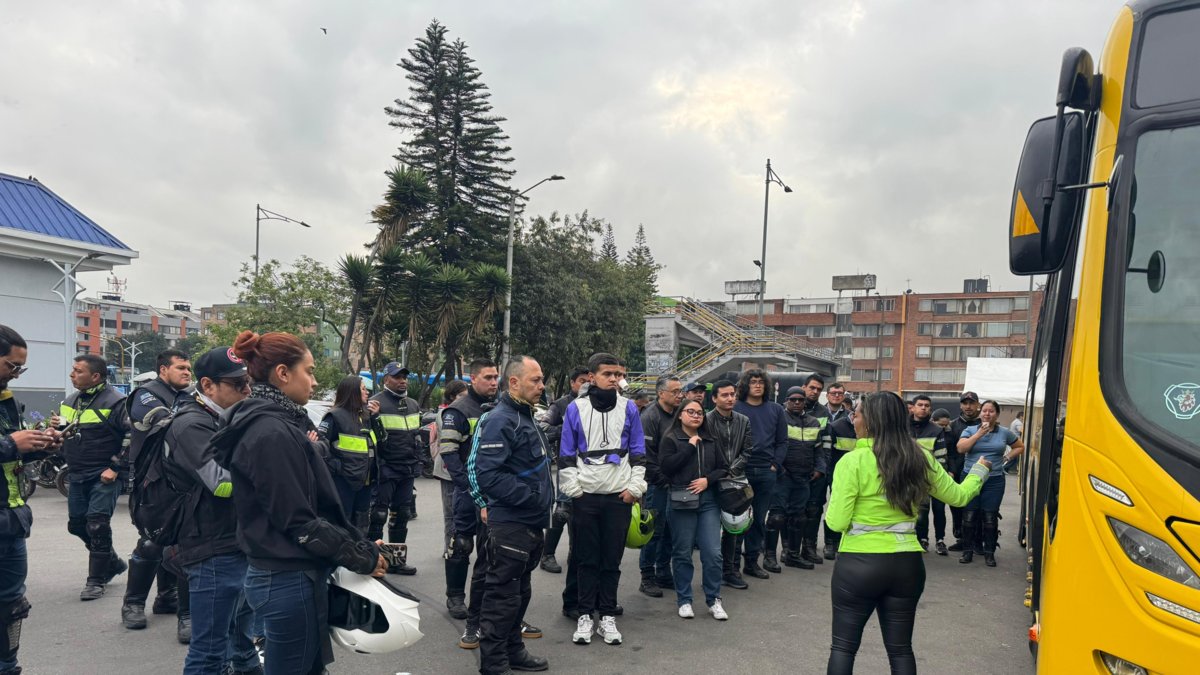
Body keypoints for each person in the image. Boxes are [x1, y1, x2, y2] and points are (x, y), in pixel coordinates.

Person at [211, 330, 385, 675]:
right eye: (309, 370)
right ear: (283, 374)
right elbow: (298, 521)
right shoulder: (270, 432)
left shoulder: (280, 422)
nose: (315, 380)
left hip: (288, 573)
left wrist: (358, 542)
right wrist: (361, 557)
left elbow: (312, 505)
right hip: (285, 578)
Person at [825, 392, 992, 674]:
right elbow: (960, 497)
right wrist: (979, 470)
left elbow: (837, 522)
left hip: (858, 565)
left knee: (843, 648)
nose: (854, 418)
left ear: (872, 421)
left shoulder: (852, 462)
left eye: (858, 414)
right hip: (906, 565)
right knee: (901, 650)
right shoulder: (920, 458)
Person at [164, 346, 260, 675]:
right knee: (209, 652)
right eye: (238, 385)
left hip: (237, 541)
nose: (247, 391)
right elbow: (220, 483)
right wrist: (269, 473)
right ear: (208, 385)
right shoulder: (190, 424)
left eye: (248, 383)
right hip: (210, 549)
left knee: (243, 644)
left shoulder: (226, 419)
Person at [467, 355, 554, 675]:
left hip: (531, 523)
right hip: (511, 525)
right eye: (536, 380)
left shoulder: (525, 416)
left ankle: (513, 650)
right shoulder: (501, 419)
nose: (542, 386)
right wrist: (530, 497)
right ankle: (493, 662)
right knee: (502, 595)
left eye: (542, 379)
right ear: (514, 383)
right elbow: (487, 474)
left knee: (520, 591)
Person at [559, 353, 646, 646]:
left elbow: (638, 452)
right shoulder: (575, 408)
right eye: (608, 373)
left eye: (618, 374)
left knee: (612, 559)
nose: (614, 378)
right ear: (592, 377)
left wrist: (635, 488)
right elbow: (566, 455)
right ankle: (585, 615)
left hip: (617, 498)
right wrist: (575, 491)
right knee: (585, 559)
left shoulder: (630, 408)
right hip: (585, 497)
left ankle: (607, 615)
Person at [0, 324, 61, 675]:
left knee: (11, 607)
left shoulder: (7, 401)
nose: (16, 374)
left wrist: (36, 444)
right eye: (12, 366)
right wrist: (11, 444)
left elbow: (11, 454)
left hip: (10, 523)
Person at [122, 349, 193, 635]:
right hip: (152, 482)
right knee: (152, 541)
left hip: (184, 480)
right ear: (163, 370)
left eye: (189, 368)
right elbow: (161, 421)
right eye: (181, 368)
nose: (187, 373)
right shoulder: (146, 394)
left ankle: (173, 602)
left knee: (185, 542)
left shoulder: (189, 398)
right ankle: (133, 603)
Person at [54, 354, 129, 602]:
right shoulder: (70, 401)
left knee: (97, 524)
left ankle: (96, 581)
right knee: (77, 525)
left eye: (77, 371)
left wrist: (116, 468)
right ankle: (112, 561)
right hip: (76, 473)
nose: (71, 374)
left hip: (104, 474)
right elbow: (64, 431)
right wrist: (56, 428)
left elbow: (132, 437)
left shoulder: (117, 401)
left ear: (95, 376)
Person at [440, 359, 500, 625]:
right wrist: (466, 485)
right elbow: (449, 452)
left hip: (495, 491)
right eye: (488, 377)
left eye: (496, 377)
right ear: (472, 379)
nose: (493, 382)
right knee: (461, 543)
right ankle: (455, 596)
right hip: (467, 491)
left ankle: (485, 596)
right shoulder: (457, 410)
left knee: (492, 546)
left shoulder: (501, 408)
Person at [659, 398, 729, 620]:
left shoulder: (711, 440)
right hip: (681, 500)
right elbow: (667, 468)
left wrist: (707, 480)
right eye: (690, 411)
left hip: (708, 500)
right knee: (682, 552)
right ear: (680, 414)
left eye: (700, 412)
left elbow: (723, 468)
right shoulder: (671, 439)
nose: (696, 416)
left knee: (713, 553)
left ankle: (714, 599)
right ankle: (685, 600)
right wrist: (690, 447)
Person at [956, 400, 1025, 566]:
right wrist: (978, 434)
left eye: (991, 411)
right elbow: (961, 448)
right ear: (980, 413)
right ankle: (967, 552)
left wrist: (1007, 457)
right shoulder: (970, 430)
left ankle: (989, 553)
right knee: (969, 515)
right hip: (971, 478)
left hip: (994, 480)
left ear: (997, 414)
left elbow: (1020, 446)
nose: (987, 414)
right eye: (985, 411)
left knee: (990, 517)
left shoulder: (1004, 432)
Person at [733, 369, 787, 579]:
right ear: (746, 385)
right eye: (753, 381)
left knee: (758, 520)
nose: (757, 385)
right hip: (740, 471)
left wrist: (775, 464)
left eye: (760, 382)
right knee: (736, 519)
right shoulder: (735, 407)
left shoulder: (775, 410)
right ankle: (732, 564)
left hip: (766, 471)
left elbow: (782, 441)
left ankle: (752, 562)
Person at [369, 362, 421, 574]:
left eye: (404, 377)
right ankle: (373, 562)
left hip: (407, 469)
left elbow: (416, 436)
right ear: (386, 380)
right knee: (379, 515)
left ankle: (396, 563)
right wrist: (375, 417)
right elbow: (372, 439)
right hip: (385, 469)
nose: (402, 381)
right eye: (397, 377)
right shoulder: (375, 403)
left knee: (403, 513)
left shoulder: (413, 404)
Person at [771, 386, 830, 570]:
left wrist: (820, 469)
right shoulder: (780, 419)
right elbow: (773, 446)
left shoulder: (813, 422)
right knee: (777, 517)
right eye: (793, 399)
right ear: (786, 400)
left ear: (805, 402)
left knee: (799, 517)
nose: (797, 403)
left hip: (804, 478)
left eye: (800, 400)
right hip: (783, 477)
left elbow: (818, 450)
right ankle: (770, 557)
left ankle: (793, 555)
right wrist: (777, 467)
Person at [539, 366, 590, 574]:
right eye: (581, 381)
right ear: (572, 383)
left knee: (584, 513)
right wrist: (566, 428)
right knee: (562, 511)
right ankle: (547, 554)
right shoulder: (560, 404)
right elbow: (543, 428)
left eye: (589, 381)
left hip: (591, 468)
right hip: (568, 465)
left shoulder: (595, 404)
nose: (586, 385)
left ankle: (575, 553)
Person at [636, 375, 682, 598]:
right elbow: (646, 455)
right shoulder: (650, 416)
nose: (679, 395)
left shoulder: (678, 414)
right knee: (653, 531)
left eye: (680, 391)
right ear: (661, 393)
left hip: (677, 484)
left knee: (671, 531)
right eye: (675, 391)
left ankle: (664, 572)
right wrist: (662, 479)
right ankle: (647, 576)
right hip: (657, 484)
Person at [318, 376, 382, 531]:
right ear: (352, 392)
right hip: (343, 483)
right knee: (342, 526)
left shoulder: (366, 416)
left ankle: (360, 554)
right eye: (363, 389)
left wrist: (376, 418)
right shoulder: (334, 416)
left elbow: (381, 441)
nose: (367, 392)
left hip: (365, 482)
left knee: (361, 526)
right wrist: (338, 468)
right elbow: (320, 448)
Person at [707, 379, 754, 589]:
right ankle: (712, 574)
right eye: (724, 395)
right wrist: (718, 473)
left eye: (732, 394)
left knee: (736, 528)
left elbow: (747, 450)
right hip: (711, 482)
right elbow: (705, 452)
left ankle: (731, 571)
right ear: (714, 398)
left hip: (737, 481)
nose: (730, 398)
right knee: (710, 530)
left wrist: (732, 470)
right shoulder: (706, 420)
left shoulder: (743, 420)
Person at [796, 374, 833, 566]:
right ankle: (789, 549)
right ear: (804, 387)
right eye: (812, 388)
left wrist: (821, 469)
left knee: (814, 509)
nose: (815, 392)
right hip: (793, 471)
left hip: (817, 471)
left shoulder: (823, 413)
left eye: (819, 389)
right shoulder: (790, 409)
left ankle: (809, 547)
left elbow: (826, 444)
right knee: (792, 510)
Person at [432, 380, 469, 557]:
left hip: (461, 470)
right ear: (452, 397)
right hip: (448, 470)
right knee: (451, 513)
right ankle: (450, 547)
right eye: (461, 396)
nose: (465, 399)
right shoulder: (446, 415)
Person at [907, 395, 947, 553]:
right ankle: (916, 539)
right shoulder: (902, 427)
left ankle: (932, 540)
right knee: (913, 511)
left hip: (929, 478)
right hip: (907, 478)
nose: (923, 408)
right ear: (913, 407)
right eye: (920, 405)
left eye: (926, 405)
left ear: (930, 409)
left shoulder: (936, 430)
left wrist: (936, 477)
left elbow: (942, 457)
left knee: (931, 510)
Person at [945, 392, 982, 552]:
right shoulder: (953, 426)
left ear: (977, 405)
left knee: (980, 507)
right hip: (959, 472)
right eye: (965, 403)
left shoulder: (985, 425)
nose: (968, 406)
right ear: (960, 405)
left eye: (971, 403)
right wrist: (952, 471)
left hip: (979, 470)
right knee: (957, 507)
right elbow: (950, 452)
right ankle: (960, 538)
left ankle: (978, 540)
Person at [924, 408, 954, 556]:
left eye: (945, 425)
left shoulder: (951, 434)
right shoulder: (928, 432)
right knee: (922, 511)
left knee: (939, 510)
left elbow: (953, 455)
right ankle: (923, 539)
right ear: (933, 422)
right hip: (923, 478)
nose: (943, 428)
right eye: (940, 425)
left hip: (941, 477)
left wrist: (951, 472)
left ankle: (940, 540)